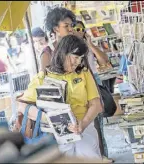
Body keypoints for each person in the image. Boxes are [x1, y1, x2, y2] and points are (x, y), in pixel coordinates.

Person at [17, 35, 102, 159]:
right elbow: (22, 106)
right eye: (75, 57)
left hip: (84, 127)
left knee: (90, 155)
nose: (78, 62)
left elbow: (96, 104)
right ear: (63, 53)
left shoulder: (83, 73)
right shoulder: (43, 78)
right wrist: (48, 118)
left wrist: (82, 124)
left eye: (81, 58)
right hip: (55, 134)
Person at [45, 8, 112, 161]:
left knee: (91, 146)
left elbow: (98, 64)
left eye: (71, 25)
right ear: (56, 28)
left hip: (86, 107)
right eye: (66, 26)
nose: (71, 29)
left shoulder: (79, 46)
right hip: (61, 119)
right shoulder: (49, 53)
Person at [74, 20, 111, 159]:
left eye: (80, 29)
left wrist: (90, 44)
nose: (78, 31)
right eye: (75, 28)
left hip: (94, 80)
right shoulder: (69, 47)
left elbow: (104, 60)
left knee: (98, 121)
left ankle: (103, 155)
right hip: (79, 85)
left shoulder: (88, 46)